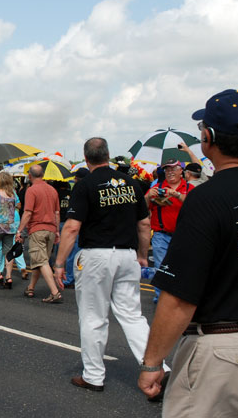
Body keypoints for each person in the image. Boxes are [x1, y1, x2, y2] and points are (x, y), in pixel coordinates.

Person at [138, 89, 238, 414]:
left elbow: (179, 299)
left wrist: (152, 362)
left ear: (208, 137)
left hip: (226, 354)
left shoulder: (206, 199)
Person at [54, 138, 167, 394]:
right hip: (127, 254)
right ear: (108, 155)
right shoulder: (131, 184)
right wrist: (141, 255)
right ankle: (157, 367)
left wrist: (60, 263)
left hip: (97, 255)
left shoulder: (86, 186)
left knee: (94, 317)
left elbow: (72, 227)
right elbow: (144, 224)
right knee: (132, 315)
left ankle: (93, 375)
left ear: (86, 159)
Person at [143, 158, 193, 303]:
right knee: (160, 268)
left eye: (173, 169)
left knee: (182, 267)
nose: (170, 172)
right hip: (161, 235)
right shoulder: (158, 187)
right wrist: (148, 196)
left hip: (183, 235)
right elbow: (144, 208)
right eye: (167, 169)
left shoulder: (189, 188)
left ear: (180, 171)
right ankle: (161, 298)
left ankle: (181, 297)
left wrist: (176, 194)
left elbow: (194, 205)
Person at [15, 164, 61, 303]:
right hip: (51, 229)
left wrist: (20, 231)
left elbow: (28, 212)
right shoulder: (53, 190)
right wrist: (57, 230)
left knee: (40, 261)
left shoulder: (32, 190)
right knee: (41, 261)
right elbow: (57, 213)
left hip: (37, 229)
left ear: (30, 176)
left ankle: (55, 292)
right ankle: (31, 287)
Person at [61, 168, 88, 288]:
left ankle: (71, 278)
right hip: (89, 228)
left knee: (73, 255)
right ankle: (81, 278)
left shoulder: (78, 189)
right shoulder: (92, 188)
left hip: (78, 226)